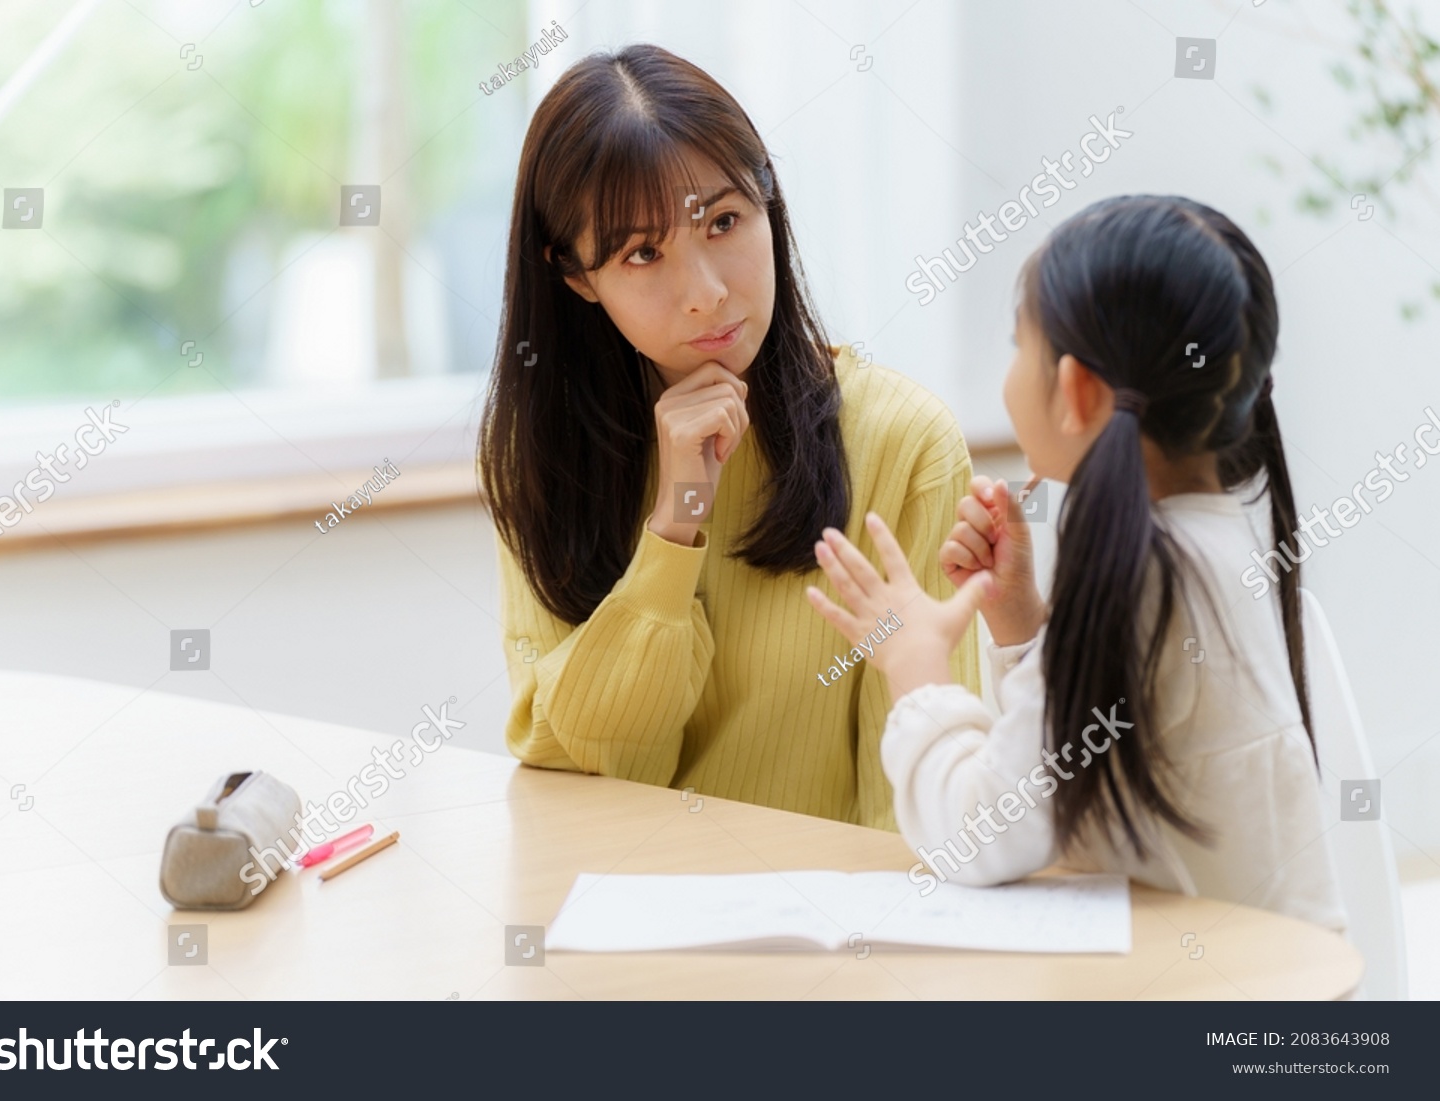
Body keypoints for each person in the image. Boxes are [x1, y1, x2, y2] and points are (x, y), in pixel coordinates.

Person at [477, 44, 979, 829]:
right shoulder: (539, 459)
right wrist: (675, 526)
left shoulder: (906, 445)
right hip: (611, 894)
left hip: (835, 908)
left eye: (723, 221)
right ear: (576, 276)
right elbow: (579, 773)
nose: (707, 293)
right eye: (644, 252)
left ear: (767, 201)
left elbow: (922, 811)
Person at [807, 195, 1345, 927]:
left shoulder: (1145, 579)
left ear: (1076, 391)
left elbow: (981, 835)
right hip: (1272, 984)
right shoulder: (1215, 551)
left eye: (1017, 344)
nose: (1009, 370)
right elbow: (1076, 763)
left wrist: (918, 669)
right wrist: (1023, 622)